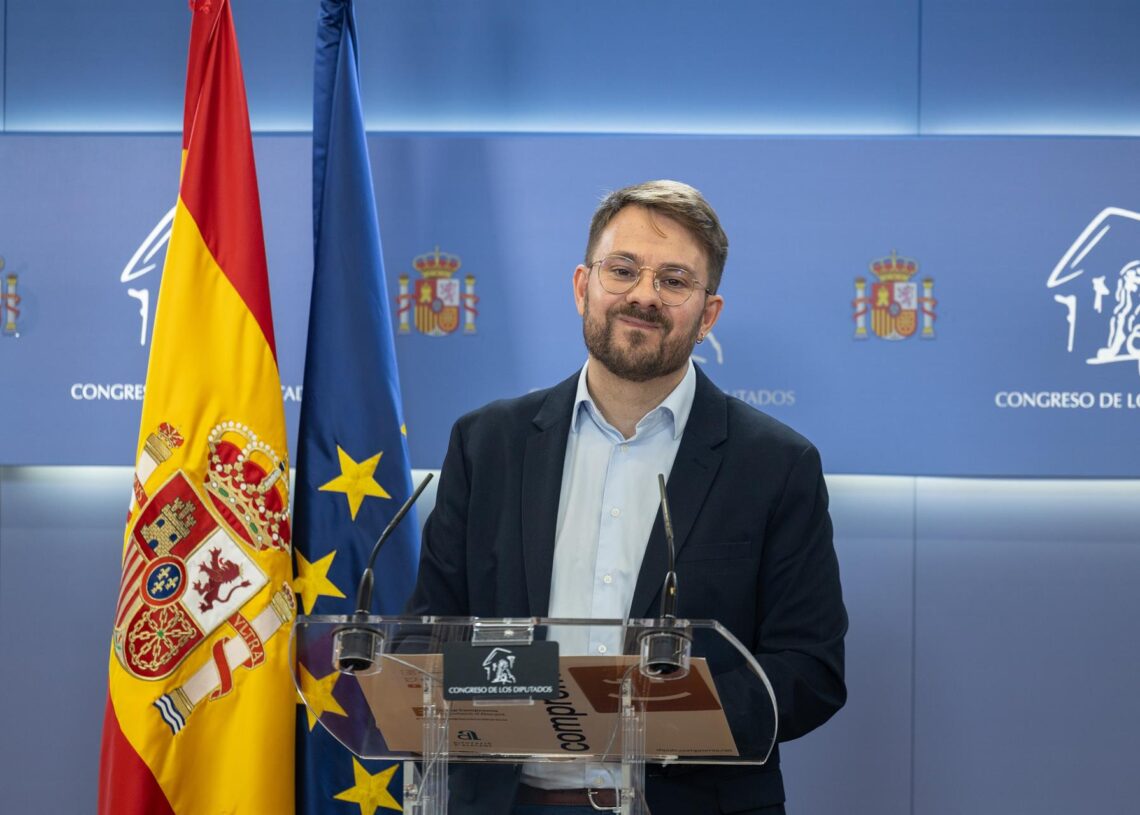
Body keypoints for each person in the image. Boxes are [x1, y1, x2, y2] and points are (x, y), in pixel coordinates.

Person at [407, 180, 847, 814]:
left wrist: (650, 712)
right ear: (583, 285)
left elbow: (811, 671)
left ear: (708, 315)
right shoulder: (487, 444)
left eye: (674, 280)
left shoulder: (776, 465)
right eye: (623, 270)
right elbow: (428, 638)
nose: (644, 295)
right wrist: (524, 690)